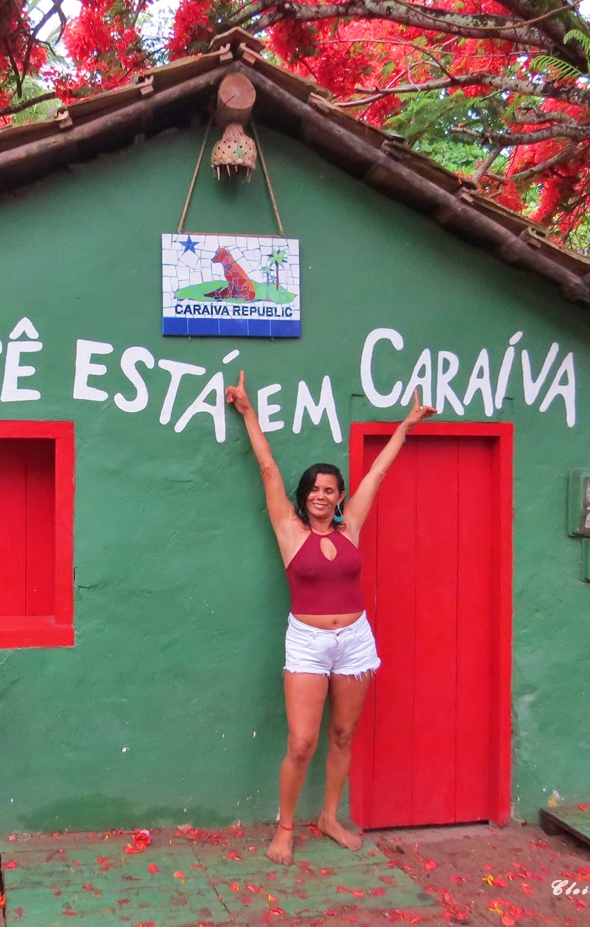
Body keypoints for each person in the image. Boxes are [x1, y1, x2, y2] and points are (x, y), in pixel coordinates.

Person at [225, 370, 435, 865]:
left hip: (356, 641)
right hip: (308, 642)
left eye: (330, 490)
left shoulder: (350, 527)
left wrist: (406, 426)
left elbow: (377, 474)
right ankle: (285, 827)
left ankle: (329, 817)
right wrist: (248, 412)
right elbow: (268, 470)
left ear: (340, 497)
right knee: (302, 742)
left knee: (342, 735)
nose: (322, 495)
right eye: (314, 489)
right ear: (305, 495)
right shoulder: (289, 529)